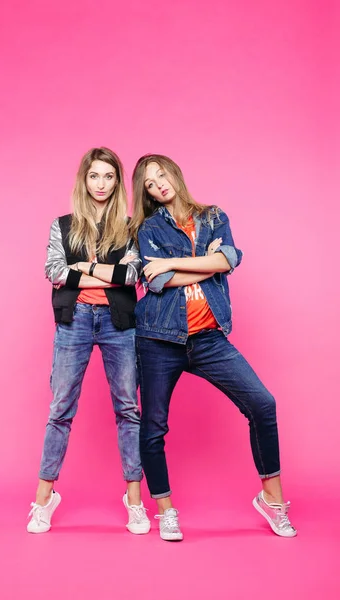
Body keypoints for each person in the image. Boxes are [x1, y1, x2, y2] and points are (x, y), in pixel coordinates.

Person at [130, 154, 297, 542]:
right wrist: (212, 261)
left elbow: (230, 259)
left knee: (262, 403)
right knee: (153, 426)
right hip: (157, 336)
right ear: (147, 194)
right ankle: (165, 510)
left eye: (162, 175)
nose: (159, 185)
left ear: (175, 172)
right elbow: (156, 281)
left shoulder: (213, 216)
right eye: (150, 184)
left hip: (208, 337)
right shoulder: (148, 227)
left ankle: (272, 500)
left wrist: (191, 264)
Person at [27, 147, 150, 535]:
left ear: (117, 182)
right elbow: (53, 270)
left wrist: (86, 268)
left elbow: (134, 275)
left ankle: (134, 499)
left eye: (109, 177)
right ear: (84, 179)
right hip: (74, 321)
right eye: (94, 176)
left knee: (128, 408)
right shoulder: (62, 225)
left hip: (119, 323)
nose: (101, 183)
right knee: (61, 408)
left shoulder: (131, 227)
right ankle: (44, 500)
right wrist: (105, 275)